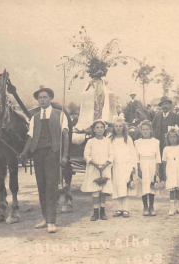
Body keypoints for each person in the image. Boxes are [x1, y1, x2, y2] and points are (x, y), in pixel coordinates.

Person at [20, 86, 69, 233]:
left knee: (51, 187)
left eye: (45, 97)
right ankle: (45, 218)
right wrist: (23, 153)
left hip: (52, 154)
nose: (42, 100)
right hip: (38, 154)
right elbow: (31, 137)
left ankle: (52, 221)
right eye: (40, 98)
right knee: (41, 186)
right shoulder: (34, 117)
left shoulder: (60, 115)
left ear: (50, 99)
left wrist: (64, 156)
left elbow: (65, 136)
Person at [81, 120, 114, 221]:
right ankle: (95, 212)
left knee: (103, 191)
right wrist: (94, 163)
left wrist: (106, 164)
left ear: (104, 129)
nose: (99, 129)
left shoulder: (107, 141)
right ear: (94, 130)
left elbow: (112, 154)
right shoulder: (90, 142)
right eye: (97, 128)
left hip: (105, 168)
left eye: (101, 127)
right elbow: (86, 155)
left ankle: (103, 211)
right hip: (93, 168)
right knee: (95, 190)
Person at [152, 96, 179, 180]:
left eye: (166, 104)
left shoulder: (175, 116)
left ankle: (172, 177)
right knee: (161, 160)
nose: (164, 106)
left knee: (171, 160)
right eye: (163, 104)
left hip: (171, 143)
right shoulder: (157, 117)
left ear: (170, 105)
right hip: (160, 142)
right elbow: (152, 128)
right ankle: (161, 178)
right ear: (161, 106)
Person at [111, 117, 137, 218]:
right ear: (113, 127)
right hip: (116, 166)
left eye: (120, 126)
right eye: (116, 126)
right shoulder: (111, 139)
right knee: (117, 186)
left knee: (125, 187)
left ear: (123, 127)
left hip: (126, 166)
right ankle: (119, 208)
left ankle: (125, 208)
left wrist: (133, 167)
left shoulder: (128, 139)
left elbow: (132, 153)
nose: (118, 128)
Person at [134, 120, 161, 216]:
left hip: (152, 164)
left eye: (147, 129)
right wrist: (138, 168)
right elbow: (136, 157)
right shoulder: (137, 142)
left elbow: (158, 156)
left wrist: (157, 170)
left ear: (151, 130)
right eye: (143, 130)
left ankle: (151, 206)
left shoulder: (156, 142)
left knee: (152, 186)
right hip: (142, 165)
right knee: (144, 186)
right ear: (140, 130)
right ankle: (145, 206)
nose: (145, 131)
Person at [162, 128, 179, 215]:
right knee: (172, 188)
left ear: (177, 138)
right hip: (170, 170)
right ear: (168, 139)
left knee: (178, 188)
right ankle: (171, 208)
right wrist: (164, 173)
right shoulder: (166, 149)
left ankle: (178, 207)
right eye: (171, 137)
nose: (172, 139)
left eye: (174, 137)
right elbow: (164, 162)